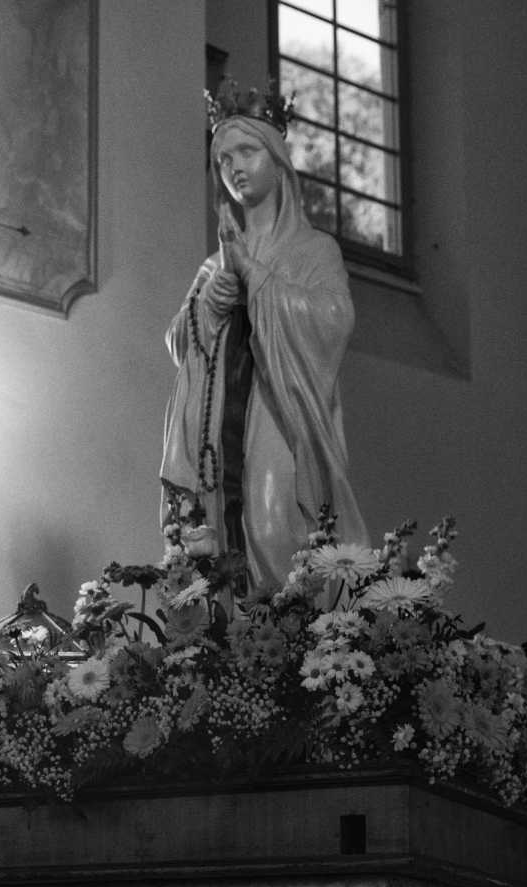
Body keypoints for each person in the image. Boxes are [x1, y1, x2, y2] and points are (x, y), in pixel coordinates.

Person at [161, 86, 371, 587]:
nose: (235, 167)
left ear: (279, 161)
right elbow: (176, 342)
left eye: (247, 152)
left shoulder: (314, 250)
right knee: (215, 547)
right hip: (214, 430)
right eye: (224, 159)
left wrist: (255, 275)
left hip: (277, 417)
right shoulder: (213, 265)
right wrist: (212, 300)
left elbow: (333, 321)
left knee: (275, 526)